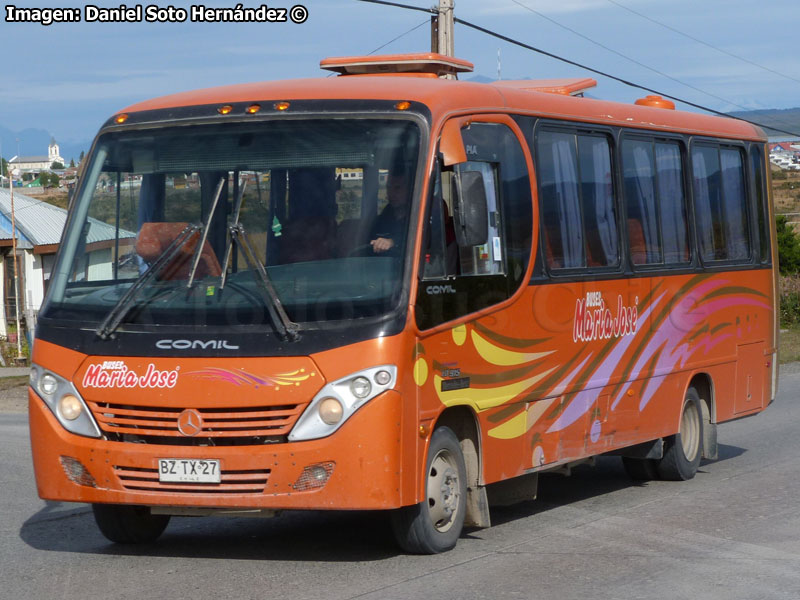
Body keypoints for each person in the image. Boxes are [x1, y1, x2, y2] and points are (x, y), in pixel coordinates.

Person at [370, 172, 410, 254]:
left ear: (409, 190)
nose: (391, 193)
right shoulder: (382, 219)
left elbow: (421, 239)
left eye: (397, 188)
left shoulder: (417, 216)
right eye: (388, 187)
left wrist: (393, 242)